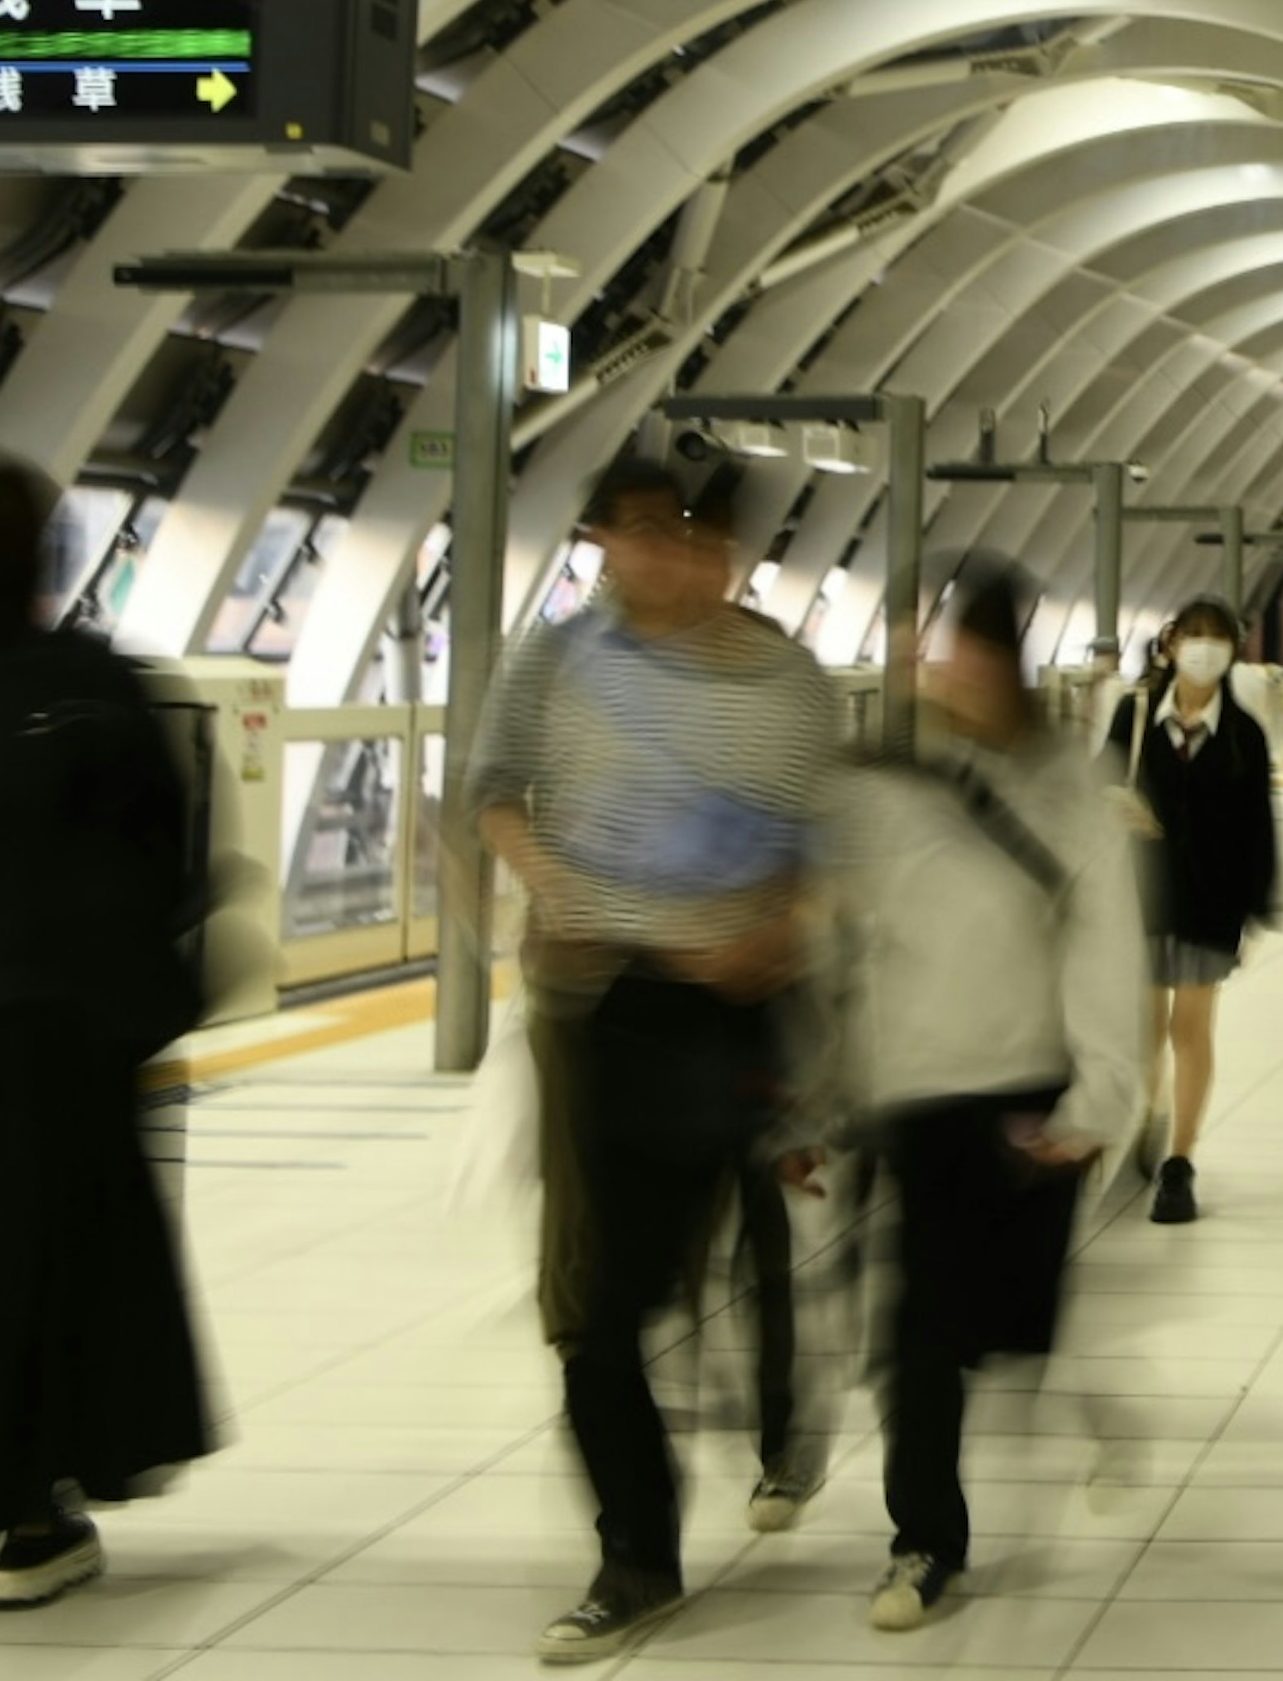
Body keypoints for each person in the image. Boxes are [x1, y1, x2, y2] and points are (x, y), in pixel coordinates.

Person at [470, 458, 838, 1664]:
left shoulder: (786, 680)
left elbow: (829, 840)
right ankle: (636, 1549)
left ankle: (785, 1430)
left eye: (692, 539)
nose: (669, 559)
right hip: (602, 1002)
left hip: (744, 1009)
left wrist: (786, 926)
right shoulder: (557, 659)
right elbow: (491, 796)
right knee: (599, 1299)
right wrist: (559, 890)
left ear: (725, 554)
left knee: (757, 1231)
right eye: (641, 534)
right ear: (603, 543)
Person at [0, 458, 210, 1608]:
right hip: (90, 1030)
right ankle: (47, 1490)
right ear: (54, 564)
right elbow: (168, 848)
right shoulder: (101, 684)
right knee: (83, 1254)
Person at [836, 558, 1148, 1634]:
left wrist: (1104, 1095)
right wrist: (823, 1088)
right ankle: (925, 1536)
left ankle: (1083, 1410)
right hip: (918, 1091)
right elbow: (843, 935)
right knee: (919, 1329)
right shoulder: (886, 779)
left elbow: (1107, 940)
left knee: (1013, 1323)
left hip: (1025, 1081)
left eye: (973, 652)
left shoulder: (1067, 786)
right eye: (942, 652)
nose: (953, 672)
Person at [1105, 597, 1279, 1226]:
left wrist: (1258, 904)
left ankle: (1180, 1160)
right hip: (1141, 894)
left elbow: (1259, 827)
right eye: (1195, 636)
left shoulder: (1242, 734)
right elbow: (1098, 783)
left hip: (1211, 899)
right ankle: (1150, 1115)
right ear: (1172, 644)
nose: (1205, 649)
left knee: (1191, 1028)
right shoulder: (1136, 714)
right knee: (1146, 1028)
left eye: (1219, 639)